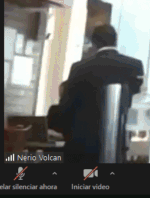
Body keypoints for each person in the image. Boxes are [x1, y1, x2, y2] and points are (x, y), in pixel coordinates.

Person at [48, 25, 144, 164]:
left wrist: (62, 130)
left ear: (94, 43)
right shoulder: (134, 66)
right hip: (116, 142)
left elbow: (67, 106)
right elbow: (138, 101)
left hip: (82, 143)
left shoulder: (79, 68)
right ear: (115, 41)